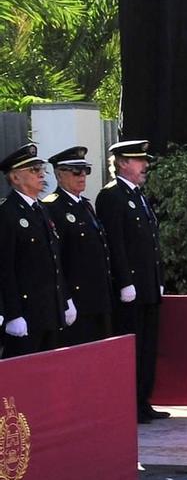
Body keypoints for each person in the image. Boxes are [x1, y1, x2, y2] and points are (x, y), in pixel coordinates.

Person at [98, 139, 165, 422]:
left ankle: (143, 400)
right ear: (123, 163)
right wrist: (125, 281)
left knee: (149, 347)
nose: (145, 165)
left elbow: (150, 243)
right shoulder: (111, 195)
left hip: (148, 286)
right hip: (131, 289)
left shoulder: (137, 195)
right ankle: (130, 404)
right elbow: (116, 244)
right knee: (133, 348)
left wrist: (157, 278)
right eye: (140, 161)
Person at [1, 143, 71, 358]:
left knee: (47, 375)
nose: (41, 174)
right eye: (33, 170)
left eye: (41, 169)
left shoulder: (41, 210)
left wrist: (64, 299)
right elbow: (4, 268)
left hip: (49, 309)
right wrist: (13, 314)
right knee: (21, 379)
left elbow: (53, 260)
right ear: (15, 178)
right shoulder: (7, 213)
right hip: (26, 312)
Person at [45, 147, 112, 347]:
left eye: (85, 170)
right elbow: (56, 259)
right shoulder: (52, 207)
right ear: (59, 174)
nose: (82, 176)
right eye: (76, 171)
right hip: (77, 298)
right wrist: (66, 300)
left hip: (98, 296)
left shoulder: (85, 205)